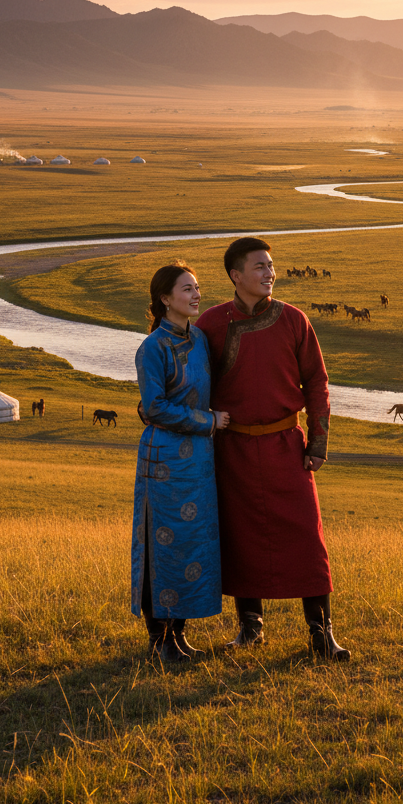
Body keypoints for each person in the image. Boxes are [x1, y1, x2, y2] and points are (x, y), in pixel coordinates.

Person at [196, 237, 350, 660]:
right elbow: (189, 382)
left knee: (306, 537)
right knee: (240, 537)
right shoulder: (209, 324)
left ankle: (321, 634)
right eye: (259, 267)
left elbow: (317, 383)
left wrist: (317, 443)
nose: (269, 273)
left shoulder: (293, 320)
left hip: (286, 445)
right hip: (232, 450)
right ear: (236, 275)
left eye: (271, 265)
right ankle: (250, 629)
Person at [131, 262, 230, 663]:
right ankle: (159, 640)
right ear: (165, 299)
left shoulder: (201, 339)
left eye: (197, 287)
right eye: (186, 289)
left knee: (192, 545)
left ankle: (179, 635)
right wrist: (209, 421)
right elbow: (153, 407)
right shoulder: (152, 347)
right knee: (161, 544)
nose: (196, 295)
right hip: (164, 462)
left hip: (200, 463)